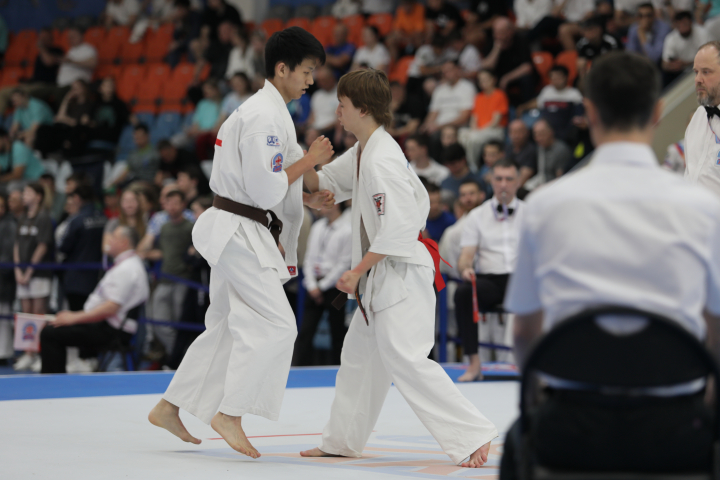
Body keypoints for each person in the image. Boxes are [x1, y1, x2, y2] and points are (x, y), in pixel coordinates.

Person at [501, 51, 720, 479]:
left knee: (517, 440)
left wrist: (543, 398)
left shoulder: (544, 207)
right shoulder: (704, 211)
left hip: (572, 429)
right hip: (675, 429)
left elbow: (524, 335)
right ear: (657, 113)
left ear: (589, 112)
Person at [148, 27, 335, 458]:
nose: (311, 81)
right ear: (282, 69)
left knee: (225, 328)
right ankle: (230, 413)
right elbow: (266, 188)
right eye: (307, 71)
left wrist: (306, 196)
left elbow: (269, 181)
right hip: (236, 230)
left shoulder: (271, 112)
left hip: (238, 223)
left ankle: (169, 406)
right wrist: (310, 160)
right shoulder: (263, 117)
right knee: (279, 325)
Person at [300, 67, 497, 468]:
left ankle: (472, 433)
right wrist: (306, 164)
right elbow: (323, 186)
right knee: (358, 361)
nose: (338, 112)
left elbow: (400, 227)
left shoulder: (383, 160)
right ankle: (342, 441)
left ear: (363, 109)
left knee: (406, 358)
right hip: (382, 275)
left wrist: (357, 270)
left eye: (343, 105)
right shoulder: (365, 150)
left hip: (401, 271)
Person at [40, 225, 150, 374]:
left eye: (114, 237)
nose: (109, 240)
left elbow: (111, 308)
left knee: (50, 333)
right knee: (52, 329)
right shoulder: (128, 264)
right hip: (106, 324)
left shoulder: (127, 268)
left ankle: (53, 382)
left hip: (111, 330)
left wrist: (73, 318)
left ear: (124, 242)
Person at [454, 159, 523, 382]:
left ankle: (542, 365)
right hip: (490, 282)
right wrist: (465, 269)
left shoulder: (531, 213)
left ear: (518, 182)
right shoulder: (477, 216)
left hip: (521, 279)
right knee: (463, 293)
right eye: (499, 179)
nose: (503, 184)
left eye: (509, 179)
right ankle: (474, 364)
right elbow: (466, 256)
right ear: (491, 181)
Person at [292, 201, 352, 366]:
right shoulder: (317, 226)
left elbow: (343, 264)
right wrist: (312, 286)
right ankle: (300, 369)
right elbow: (309, 258)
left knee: (337, 331)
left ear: (336, 205)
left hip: (336, 288)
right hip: (314, 285)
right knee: (305, 331)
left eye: (325, 204)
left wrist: (323, 286)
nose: (320, 207)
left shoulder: (347, 230)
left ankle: (339, 369)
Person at [146, 190, 194, 359]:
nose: (172, 207)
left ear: (183, 205)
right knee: (157, 319)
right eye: (169, 203)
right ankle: (179, 355)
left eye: (176, 203)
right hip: (165, 278)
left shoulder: (190, 227)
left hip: (184, 280)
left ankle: (180, 355)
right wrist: (144, 254)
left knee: (179, 320)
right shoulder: (164, 228)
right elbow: (162, 252)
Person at [12, 183, 54, 372]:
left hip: (39, 273)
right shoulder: (22, 217)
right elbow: (16, 245)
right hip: (22, 273)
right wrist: (17, 270)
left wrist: (29, 271)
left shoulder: (44, 218)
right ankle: (28, 353)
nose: (24, 195)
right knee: (25, 313)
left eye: (28, 192)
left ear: (38, 196)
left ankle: (40, 353)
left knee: (38, 313)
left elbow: (42, 246)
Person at [58, 185, 107, 311]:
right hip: (98, 277)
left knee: (77, 315)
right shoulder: (104, 218)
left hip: (76, 278)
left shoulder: (77, 220)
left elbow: (64, 247)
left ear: (77, 198)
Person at [685, 41, 720, 197]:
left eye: (706, 72)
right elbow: (690, 173)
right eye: (696, 72)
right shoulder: (697, 118)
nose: (698, 79)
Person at [519, 66, 584, 142]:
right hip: (545, 128)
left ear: (566, 77)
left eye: (558, 77)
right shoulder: (547, 91)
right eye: (553, 77)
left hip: (564, 129)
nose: (556, 80)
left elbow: (580, 112)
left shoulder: (574, 93)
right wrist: (522, 107)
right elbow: (537, 103)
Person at [459, 69, 508, 169]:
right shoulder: (478, 97)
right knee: (461, 134)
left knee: (474, 139)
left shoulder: (499, 95)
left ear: (493, 80)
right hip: (479, 130)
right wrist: (474, 130)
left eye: (486, 79)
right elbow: (474, 118)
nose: (483, 82)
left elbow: (496, 121)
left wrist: (479, 131)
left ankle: (472, 166)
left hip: (495, 130)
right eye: (480, 80)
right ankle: (464, 162)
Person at [438, 179, 486, 281]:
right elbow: (446, 268)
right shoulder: (452, 231)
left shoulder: (496, 222)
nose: (468, 198)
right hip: (466, 281)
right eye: (463, 195)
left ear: (482, 195)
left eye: (472, 193)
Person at [482, 17, 536, 107]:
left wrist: (506, 78)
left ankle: (526, 107)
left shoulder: (521, 41)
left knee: (527, 79)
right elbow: (486, 68)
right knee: (485, 80)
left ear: (510, 32)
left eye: (501, 32)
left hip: (516, 77)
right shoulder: (492, 42)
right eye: (495, 32)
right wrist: (496, 49)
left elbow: (527, 67)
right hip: (499, 78)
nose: (497, 36)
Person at [662, 10, 710, 85]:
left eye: (684, 23)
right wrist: (672, 65)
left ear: (690, 22)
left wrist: (686, 63)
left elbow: (709, 56)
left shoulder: (702, 32)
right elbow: (664, 64)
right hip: (681, 73)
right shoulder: (670, 39)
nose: (682, 26)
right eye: (679, 24)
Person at [523, 119, 572, 191]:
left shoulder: (561, 150)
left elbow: (561, 178)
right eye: (536, 134)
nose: (538, 138)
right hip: (541, 182)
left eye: (541, 134)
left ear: (551, 132)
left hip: (554, 187)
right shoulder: (540, 147)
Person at [0, 193, 16, 364]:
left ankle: (3, 353)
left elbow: (8, 253)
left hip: (3, 279)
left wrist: (3, 271)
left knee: (3, 314)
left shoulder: (9, 224)